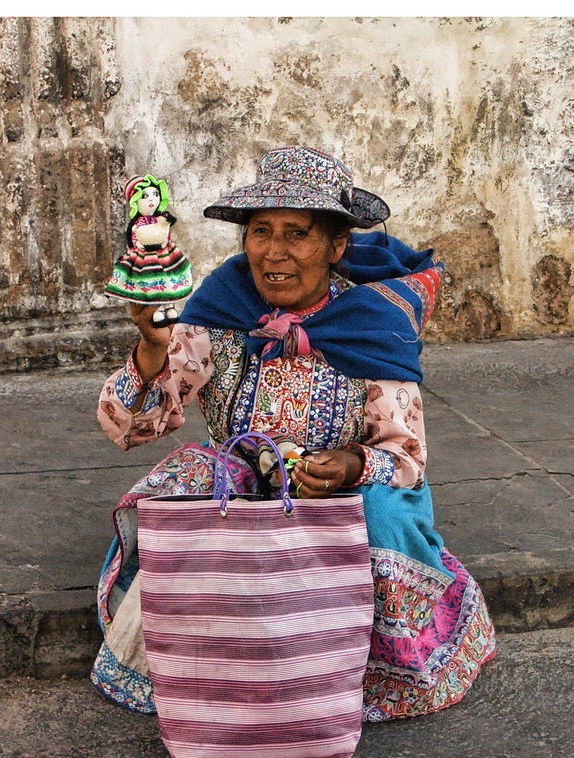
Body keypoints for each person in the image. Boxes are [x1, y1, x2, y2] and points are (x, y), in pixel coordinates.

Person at [91, 145, 496, 721]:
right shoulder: (221, 311)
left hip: (346, 494)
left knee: (382, 517)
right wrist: (154, 349)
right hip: (247, 483)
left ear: (336, 246)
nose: (273, 253)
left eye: (297, 233)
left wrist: (351, 467)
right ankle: (209, 662)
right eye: (260, 231)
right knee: (186, 480)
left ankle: (363, 673)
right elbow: (129, 426)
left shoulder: (372, 323)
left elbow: (404, 455)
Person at [104, 174, 193, 327]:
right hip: (145, 258)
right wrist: (138, 245)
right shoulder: (137, 223)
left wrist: (165, 240)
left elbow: (166, 232)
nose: (151, 199)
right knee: (151, 282)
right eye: (145, 196)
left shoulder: (160, 218)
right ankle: (156, 310)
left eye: (155, 194)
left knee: (167, 280)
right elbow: (133, 239)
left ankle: (169, 307)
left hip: (164, 254)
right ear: (136, 201)